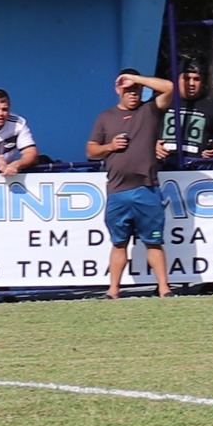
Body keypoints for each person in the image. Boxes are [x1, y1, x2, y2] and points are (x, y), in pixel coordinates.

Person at [87, 70, 176, 299]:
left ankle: (164, 289)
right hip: (117, 190)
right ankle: (113, 290)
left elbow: (168, 87)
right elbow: (91, 150)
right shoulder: (105, 116)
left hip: (146, 188)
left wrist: (136, 79)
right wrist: (110, 146)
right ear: (118, 91)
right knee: (119, 243)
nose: (132, 94)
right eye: (127, 90)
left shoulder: (149, 110)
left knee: (153, 241)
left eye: (135, 90)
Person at [156, 58, 213, 165]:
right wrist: (152, 144)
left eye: (196, 79)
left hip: (195, 166)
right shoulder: (164, 100)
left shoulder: (210, 105)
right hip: (163, 163)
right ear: (177, 79)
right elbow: (145, 127)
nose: (191, 83)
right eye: (186, 78)